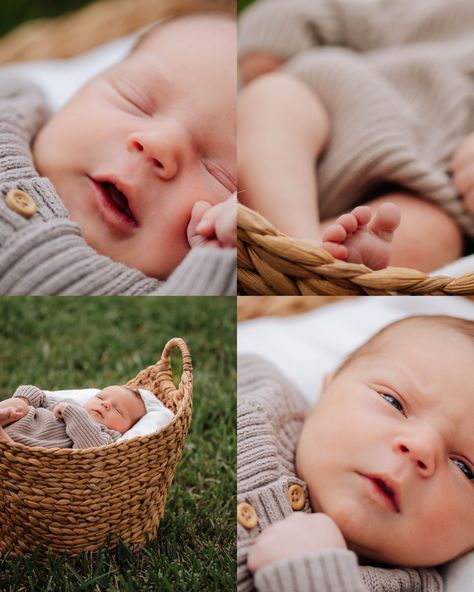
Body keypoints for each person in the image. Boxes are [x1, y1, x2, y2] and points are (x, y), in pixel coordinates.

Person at [0, 9, 236, 295]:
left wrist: (218, 256)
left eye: (219, 174)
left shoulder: (164, 295)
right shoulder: (12, 104)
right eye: (134, 99)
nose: (158, 143)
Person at [237, 315, 474, 592]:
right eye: (392, 401)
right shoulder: (262, 394)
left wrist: (318, 577)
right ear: (328, 389)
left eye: (466, 468)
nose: (421, 446)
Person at [238, 0, 474, 272]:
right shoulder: (450, 12)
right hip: (341, 104)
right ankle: (295, 247)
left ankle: (318, 262)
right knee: (275, 96)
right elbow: (322, 11)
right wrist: (267, 51)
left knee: (430, 238)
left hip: (426, 190)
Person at [0, 384, 147, 448]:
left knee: (19, 455)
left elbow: (91, 447)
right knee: (21, 404)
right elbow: (39, 395)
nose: (105, 404)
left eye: (118, 410)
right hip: (17, 418)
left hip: (21, 451)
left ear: (128, 429)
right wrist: (25, 399)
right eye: (100, 398)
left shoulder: (107, 437)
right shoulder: (71, 403)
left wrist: (71, 412)